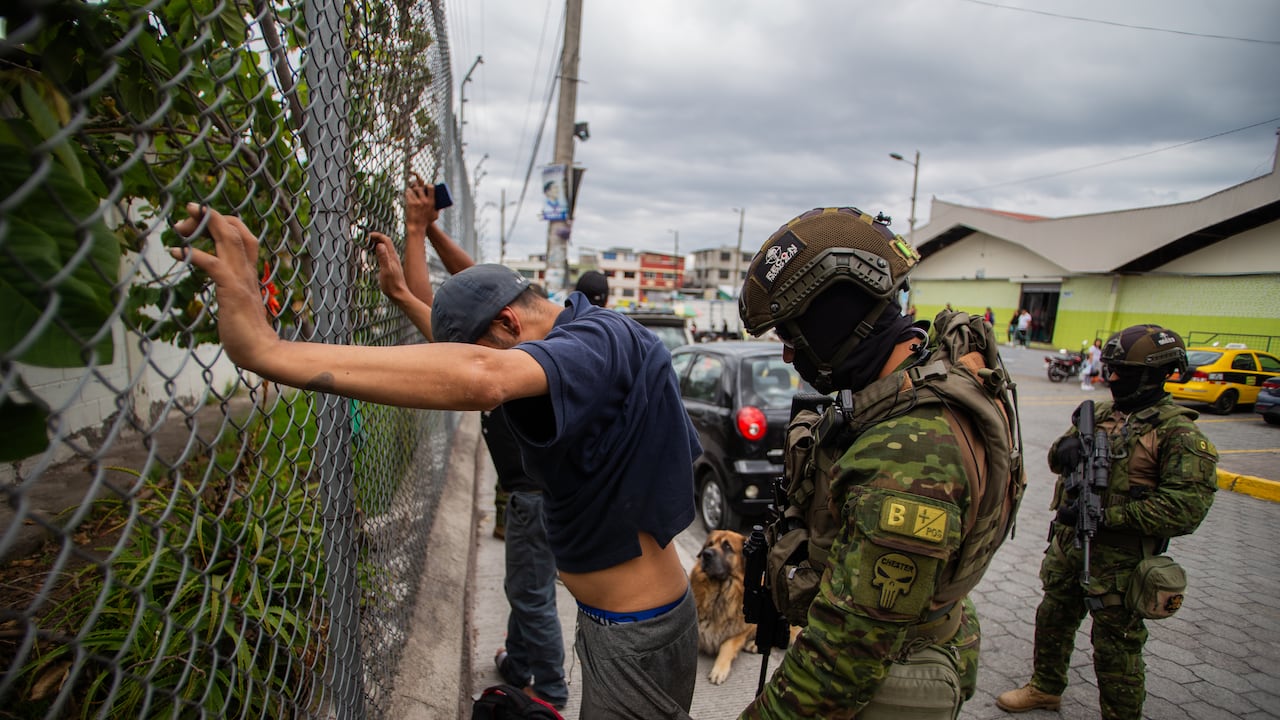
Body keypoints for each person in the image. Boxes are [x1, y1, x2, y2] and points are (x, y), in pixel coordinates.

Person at [170, 201, 702, 719]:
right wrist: (402, 292)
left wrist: (267, 350)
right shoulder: (586, 338)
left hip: (635, 635)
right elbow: (468, 354)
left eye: (494, 347)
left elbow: (483, 374)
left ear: (511, 324)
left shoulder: (594, 342)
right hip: (631, 624)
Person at [735, 206, 1025, 719]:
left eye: (790, 336)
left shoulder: (909, 455)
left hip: (883, 684)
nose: (787, 356)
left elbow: (838, 666)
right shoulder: (924, 378)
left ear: (831, 322)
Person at [373, 182, 570, 708]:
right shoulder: (544, 338)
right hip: (542, 492)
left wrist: (416, 235)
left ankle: (548, 690)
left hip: (533, 498)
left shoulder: (510, 360)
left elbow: (446, 331)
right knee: (525, 587)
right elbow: (477, 291)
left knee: (530, 594)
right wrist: (431, 228)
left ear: (503, 321)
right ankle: (522, 660)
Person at [997, 324, 1218, 719]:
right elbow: (1055, 459)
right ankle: (1045, 688)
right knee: (1053, 619)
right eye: (1111, 368)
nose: (1112, 377)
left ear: (1155, 375)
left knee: (1118, 650)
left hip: (1122, 565)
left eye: (1123, 372)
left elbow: (1185, 509)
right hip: (1070, 548)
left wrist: (1106, 517)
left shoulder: (1178, 434)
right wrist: (1061, 453)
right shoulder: (1097, 415)